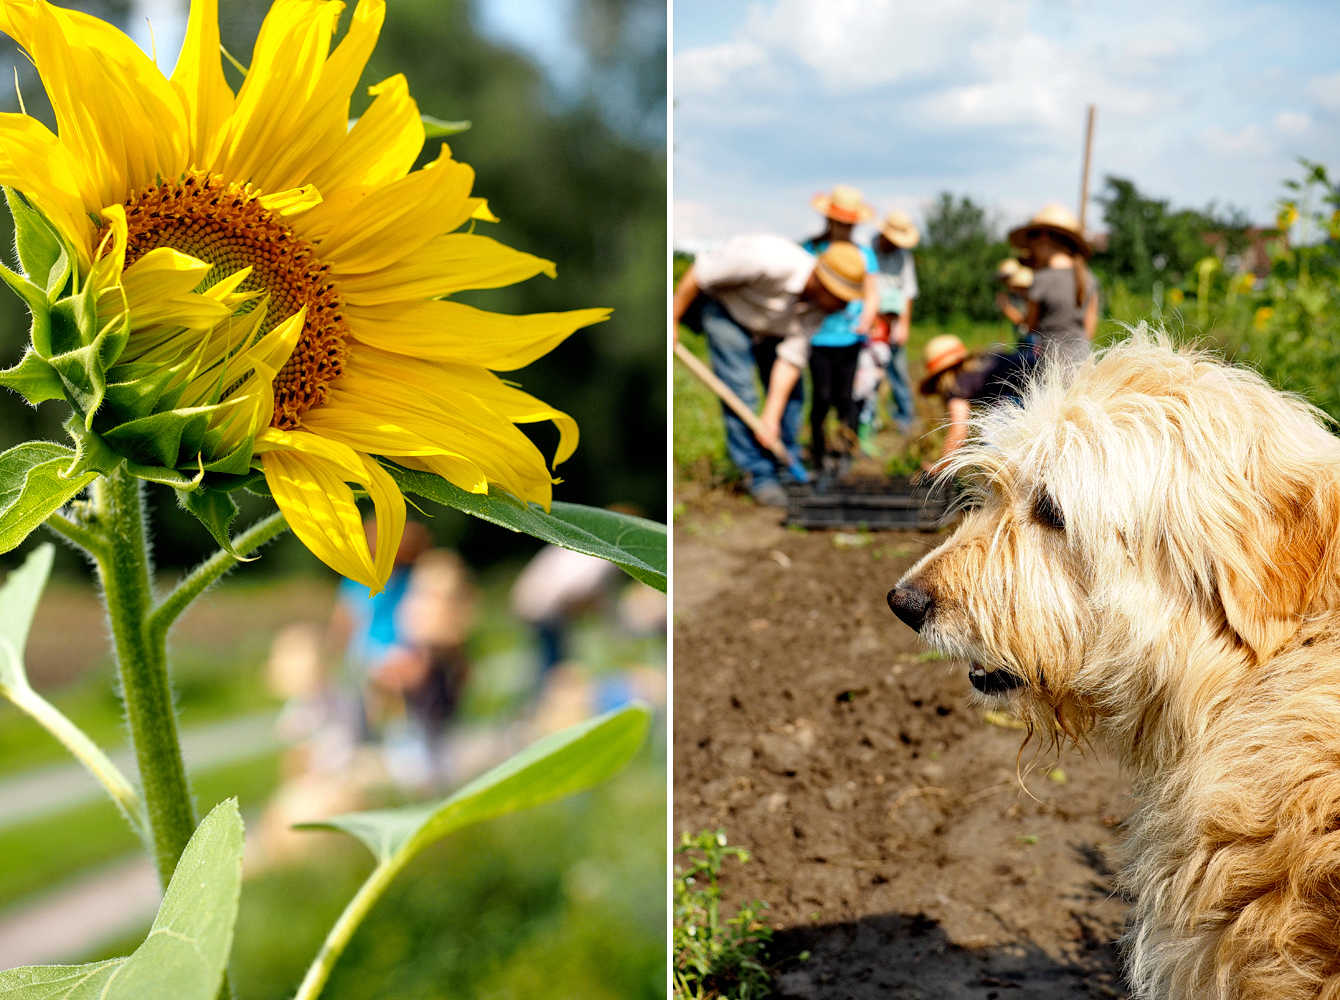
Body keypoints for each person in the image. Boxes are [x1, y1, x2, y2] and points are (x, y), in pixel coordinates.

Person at [672, 236, 865, 505]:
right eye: (842, 298)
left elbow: (791, 360)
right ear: (823, 284)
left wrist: (771, 417)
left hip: (772, 329)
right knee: (741, 396)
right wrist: (673, 318)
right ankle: (758, 475)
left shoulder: (821, 309)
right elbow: (700, 274)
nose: (845, 306)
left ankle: (785, 465)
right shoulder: (767, 260)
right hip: (727, 313)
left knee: (793, 398)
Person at [801, 185, 880, 469]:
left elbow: (872, 291)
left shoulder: (864, 254)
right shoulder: (812, 248)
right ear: (829, 220)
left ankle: (845, 449)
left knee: (845, 397)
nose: (844, 228)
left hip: (850, 337)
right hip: (819, 336)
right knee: (821, 397)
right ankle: (818, 450)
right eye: (840, 223)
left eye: (849, 224)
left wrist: (867, 319)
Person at [918, 334, 1034, 473]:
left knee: (993, 448)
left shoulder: (956, 384)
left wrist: (941, 467)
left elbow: (958, 431)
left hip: (1021, 394)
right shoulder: (982, 365)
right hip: (1042, 380)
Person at [1007, 204, 1098, 367]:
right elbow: (1089, 330)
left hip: (1053, 369)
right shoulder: (1089, 277)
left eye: (1032, 238)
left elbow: (1030, 326)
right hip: (1086, 366)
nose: (1031, 247)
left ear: (1044, 237)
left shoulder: (1042, 279)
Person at [870, 209, 921, 434]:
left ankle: (906, 418)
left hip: (894, 320)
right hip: (871, 320)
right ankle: (868, 421)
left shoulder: (903, 257)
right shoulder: (868, 252)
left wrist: (903, 325)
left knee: (899, 371)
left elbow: (908, 292)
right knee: (870, 373)